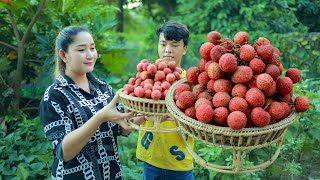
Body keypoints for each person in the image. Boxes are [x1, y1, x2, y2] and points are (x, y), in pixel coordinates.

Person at [39, 26, 144, 180]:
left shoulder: (102, 87)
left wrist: (148, 112)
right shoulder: (54, 95)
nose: (90, 55)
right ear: (64, 55)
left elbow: (123, 127)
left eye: (92, 48)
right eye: (81, 50)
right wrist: (99, 117)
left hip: (110, 175)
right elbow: (64, 152)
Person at [136, 21, 194, 180]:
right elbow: (134, 117)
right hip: (151, 159)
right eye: (163, 44)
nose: (168, 50)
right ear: (158, 45)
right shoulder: (146, 76)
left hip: (180, 163)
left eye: (175, 45)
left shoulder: (190, 82)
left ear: (185, 49)